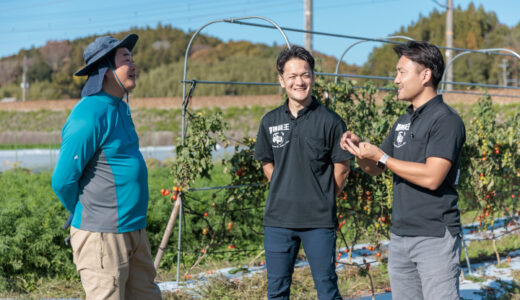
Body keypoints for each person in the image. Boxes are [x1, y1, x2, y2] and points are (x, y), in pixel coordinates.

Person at [341, 41, 466, 300]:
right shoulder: (403, 120)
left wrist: (383, 157)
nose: (396, 79)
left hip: (434, 235)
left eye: (401, 72)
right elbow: (376, 169)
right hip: (400, 236)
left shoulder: (446, 120)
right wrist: (361, 152)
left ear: (425, 75)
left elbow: (432, 177)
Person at [51, 34, 162, 300]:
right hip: (103, 237)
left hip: (134, 230)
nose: (134, 65)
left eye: (133, 59)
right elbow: (62, 180)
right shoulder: (89, 114)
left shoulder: (119, 108)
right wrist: (88, 212)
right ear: (106, 69)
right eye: (126, 60)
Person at [254, 46, 352, 300]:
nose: (299, 81)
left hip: (318, 221)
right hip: (278, 220)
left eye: (305, 75)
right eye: (292, 76)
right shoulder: (270, 121)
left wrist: (322, 195)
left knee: (327, 288)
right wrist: (282, 187)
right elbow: (266, 160)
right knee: (277, 290)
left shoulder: (330, 121)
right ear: (281, 80)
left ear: (313, 77)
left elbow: (342, 167)